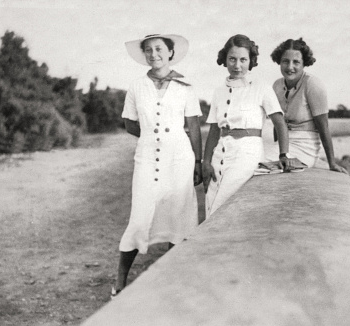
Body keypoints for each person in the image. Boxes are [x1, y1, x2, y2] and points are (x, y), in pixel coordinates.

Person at [112, 34, 203, 297]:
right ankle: (119, 281)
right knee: (139, 217)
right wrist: (154, 137)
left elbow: (194, 126)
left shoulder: (185, 86)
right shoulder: (137, 86)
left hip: (180, 158)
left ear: (171, 52)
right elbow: (129, 123)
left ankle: (171, 278)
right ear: (144, 55)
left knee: (179, 216)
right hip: (147, 157)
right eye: (149, 50)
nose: (154, 54)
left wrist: (198, 161)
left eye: (159, 49)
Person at [202, 34, 293, 218]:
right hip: (220, 154)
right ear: (224, 60)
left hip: (247, 154)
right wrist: (205, 161)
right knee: (211, 201)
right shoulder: (219, 92)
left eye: (243, 60)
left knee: (226, 203)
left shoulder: (261, 87)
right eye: (232, 59)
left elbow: (279, 123)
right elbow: (214, 130)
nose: (237, 65)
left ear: (251, 61)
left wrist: (284, 154)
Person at [270, 38, 348, 173]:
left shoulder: (313, 84)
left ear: (304, 63)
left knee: (255, 159)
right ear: (279, 62)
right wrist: (277, 146)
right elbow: (277, 125)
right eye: (285, 61)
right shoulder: (277, 85)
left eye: (296, 62)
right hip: (284, 146)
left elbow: (323, 127)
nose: (290, 67)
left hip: (305, 146)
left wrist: (332, 164)